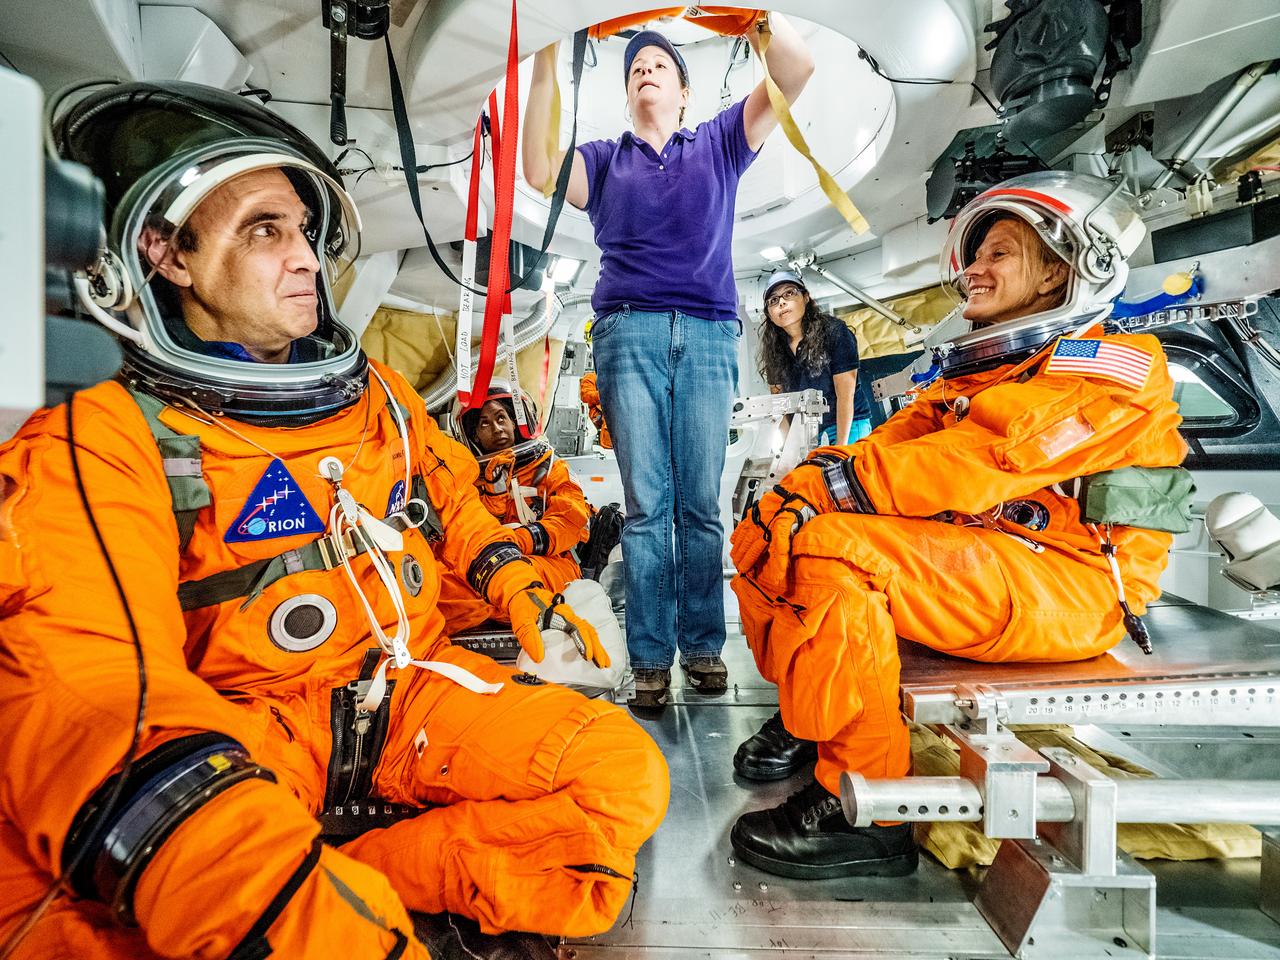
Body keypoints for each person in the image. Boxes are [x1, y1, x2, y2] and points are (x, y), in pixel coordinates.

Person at [0, 82, 668, 959]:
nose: (307, 258)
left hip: (410, 690)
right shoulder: (110, 436)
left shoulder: (381, 399)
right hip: (252, 727)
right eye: (264, 230)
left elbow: (460, 508)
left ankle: (368, 873)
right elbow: (94, 685)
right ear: (167, 255)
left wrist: (527, 601)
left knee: (624, 776)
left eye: (304, 232)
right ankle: (341, 892)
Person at [726, 171, 1187, 879]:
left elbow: (986, 455)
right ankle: (809, 710)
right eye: (975, 257)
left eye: (999, 253)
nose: (974, 269)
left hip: (1070, 585)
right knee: (766, 529)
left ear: (1063, 269)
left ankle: (870, 810)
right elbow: (883, 448)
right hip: (987, 564)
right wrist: (793, 491)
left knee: (832, 550)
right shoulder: (971, 378)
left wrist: (827, 490)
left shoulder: (1111, 370)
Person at [522, 15, 815, 708]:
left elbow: (796, 71)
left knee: (701, 505)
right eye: (634, 70)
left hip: (711, 336)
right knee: (648, 507)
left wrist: (756, 17)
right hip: (627, 335)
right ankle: (652, 656)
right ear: (627, 97)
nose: (645, 71)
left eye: (658, 65)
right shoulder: (602, 158)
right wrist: (540, 59)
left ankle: (705, 646)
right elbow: (537, 171)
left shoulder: (717, 141)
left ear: (684, 92)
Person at [438, 384, 592, 633]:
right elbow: (464, 535)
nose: (497, 428)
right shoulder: (469, 480)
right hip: (492, 566)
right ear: (474, 435)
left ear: (516, 421)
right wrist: (493, 496)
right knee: (440, 584)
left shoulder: (552, 467)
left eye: (501, 418)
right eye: (485, 424)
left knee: (502, 580)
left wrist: (513, 541)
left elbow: (571, 522)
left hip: (551, 563)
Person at [758, 269, 873, 445]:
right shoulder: (774, 350)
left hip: (848, 424)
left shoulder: (834, 331)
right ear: (769, 314)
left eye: (789, 293)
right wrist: (788, 452)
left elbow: (845, 395)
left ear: (806, 297)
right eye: (773, 300)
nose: (781, 302)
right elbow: (780, 407)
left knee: (843, 470)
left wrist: (840, 448)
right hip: (808, 431)